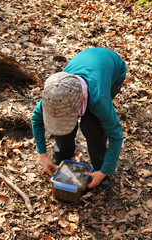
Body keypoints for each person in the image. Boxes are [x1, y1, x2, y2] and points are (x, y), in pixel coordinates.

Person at [31, 47, 127, 189]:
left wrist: (105, 171)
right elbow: (36, 119)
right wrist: (43, 156)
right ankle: (62, 156)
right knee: (61, 121)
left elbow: (116, 135)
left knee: (92, 124)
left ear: (82, 98)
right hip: (87, 61)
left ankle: (100, 166)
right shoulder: (55, 93)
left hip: (114, 69)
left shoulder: (99, 100)